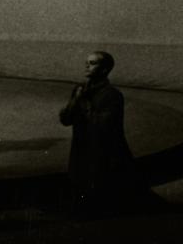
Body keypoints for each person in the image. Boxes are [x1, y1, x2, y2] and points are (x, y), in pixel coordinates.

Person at [57, 49, 160, 215]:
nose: (87, 66)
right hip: (81, 150)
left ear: (104, 69)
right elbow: (65, 119)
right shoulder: (79, 90)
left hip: (103, 153)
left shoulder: (112, 95)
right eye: (86, 63)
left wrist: (82, 102)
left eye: (92, 63)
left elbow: (102, 126)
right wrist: (75, 100)